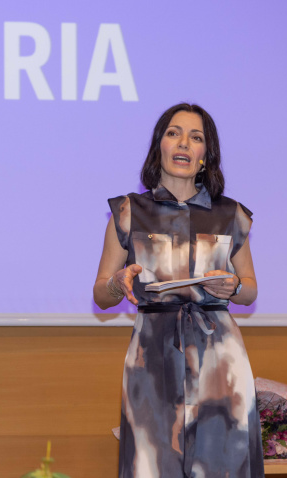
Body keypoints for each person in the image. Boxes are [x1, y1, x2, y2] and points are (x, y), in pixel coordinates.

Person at [93, 103, 263, 477]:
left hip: (219, 357)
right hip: (152, 355)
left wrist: (233, 286)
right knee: (152, 463)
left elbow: (250, 290)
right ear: (160, 146)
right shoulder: (128, 211)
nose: (184, 142)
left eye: (196, 137)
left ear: (206, 156)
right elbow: (101, 295)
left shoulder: (231, 214)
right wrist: (117, 283)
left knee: (222, 463)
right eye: (174, 133)